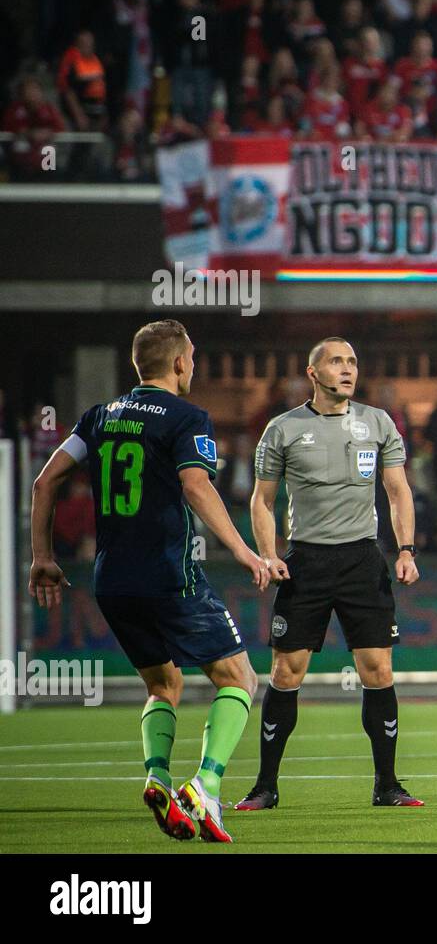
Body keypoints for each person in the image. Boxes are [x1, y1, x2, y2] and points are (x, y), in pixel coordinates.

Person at [29, 319, 271, 843]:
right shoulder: (186, 417)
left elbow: (45, 480)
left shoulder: (99, 416)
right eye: (193, 358)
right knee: (239, 679)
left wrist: (42, 557)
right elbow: (195, 485)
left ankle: (158, 776)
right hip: (168, 574)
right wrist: (244, 550)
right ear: (181, 362)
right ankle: (204, 788)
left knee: (164, 685)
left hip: (111, 580)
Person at [237, 337, 423, 811]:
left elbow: (399, 491)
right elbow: (261, 499)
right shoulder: (282, 429)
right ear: (313, 373)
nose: (348, 370)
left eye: (353, 362)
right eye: (337, 362)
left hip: (363, 559)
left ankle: (387, 785)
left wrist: (405, 550)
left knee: (378, 670)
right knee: (286, 670)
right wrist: (266, 553)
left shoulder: (378, 422)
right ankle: (265, 786)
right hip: (306, 562)